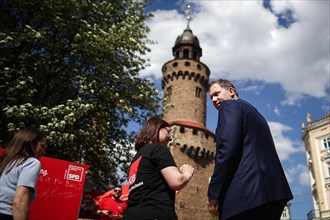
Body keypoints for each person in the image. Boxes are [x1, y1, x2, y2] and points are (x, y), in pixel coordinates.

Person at [207, 79, 293, 220]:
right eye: (211, 97)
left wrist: (213, 192)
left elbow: (227, 149)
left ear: (231, 91)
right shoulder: (254, 113)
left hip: (245, 196)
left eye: (216, 93)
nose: (214, 99)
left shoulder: (229, 106)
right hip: (273, 194)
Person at [123, 117, 195, 220]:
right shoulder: (158, 148)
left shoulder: (137, 157)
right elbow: (177, 182)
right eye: (168, 132)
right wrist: (187, 173)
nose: (170, 138)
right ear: (156, 129)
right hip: (156, 213)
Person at [0, 128, 47, 220]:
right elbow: (20, 201)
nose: (43, 151)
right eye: (42, 146)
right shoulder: (31, 162)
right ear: (30, 143)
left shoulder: (6, 162)